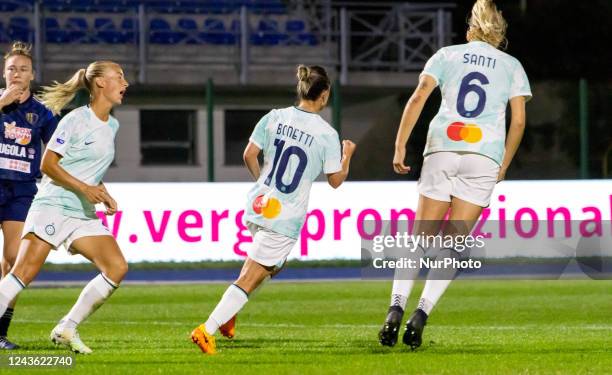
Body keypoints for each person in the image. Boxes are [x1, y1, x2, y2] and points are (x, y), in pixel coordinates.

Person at [379, 0, 531, 350]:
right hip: (484, 156)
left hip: (443, 148)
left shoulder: (447, 55)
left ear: (470, 30)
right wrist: (504, 164)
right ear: (499, 33)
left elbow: (418, 97)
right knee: (452, 245)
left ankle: (395, 308)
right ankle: (421, 315)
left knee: (420, 239)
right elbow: (519, 120)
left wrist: (401, 144)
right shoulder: (511, 65)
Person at [191, 65, 356, 354]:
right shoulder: (326, 134)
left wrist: (264, 185)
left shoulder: (275, 117)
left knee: (270, 266)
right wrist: (347, 156)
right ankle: (207, 329)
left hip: (259, 205)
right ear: (325, 94)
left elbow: (249, 155)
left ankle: (229, 315)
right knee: (253, 275)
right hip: (285, 218)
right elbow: (335, 181)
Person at [0, 60, 129, 354]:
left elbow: (88, 170)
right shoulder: (74, 120)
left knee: (116, 267)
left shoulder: (114, 125)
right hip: (54, 204)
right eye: (118, 77)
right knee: (22, 273)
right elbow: (48, 164)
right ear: (100, 83)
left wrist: (103, 192)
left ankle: (66, 328)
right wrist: (86, 188)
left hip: (81, 212)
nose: (125, 83)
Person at [0, 41, 58, 349]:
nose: (17, 74)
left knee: (12, 261)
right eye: (11, 69)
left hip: (21, 189)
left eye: (23, 69)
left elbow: (61, 149)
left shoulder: (42, 113)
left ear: (32, 74)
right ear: (3, 72)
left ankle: (0, 331)